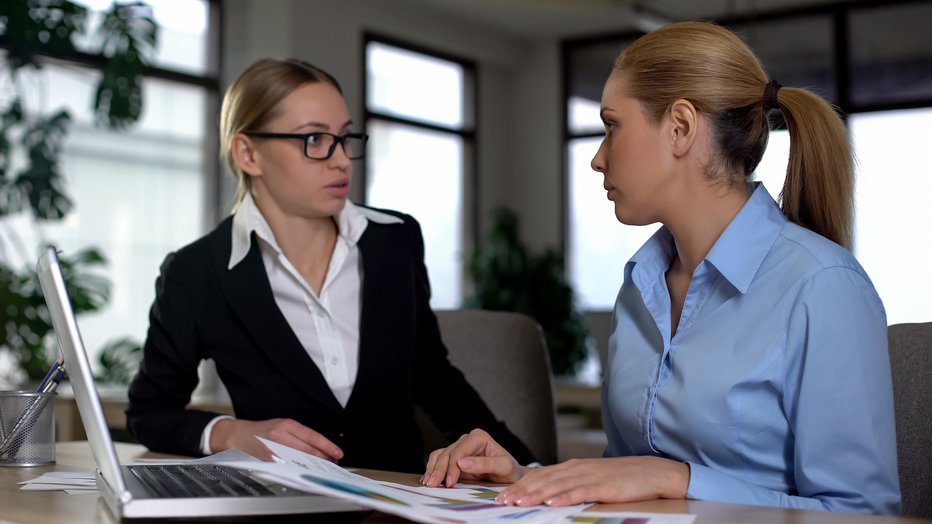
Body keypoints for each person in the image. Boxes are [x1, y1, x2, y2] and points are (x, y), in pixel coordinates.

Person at [421, 21, 901, 515]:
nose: (597, 159)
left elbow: (864, 514)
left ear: (680, 128)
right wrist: (527, 478)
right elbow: (625, 478)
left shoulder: (822, 287)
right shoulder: (639, 288)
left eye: (611, 126)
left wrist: (679, 478)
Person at [125, 58, 535, 473]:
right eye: (315, 140)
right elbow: (149, 412)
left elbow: (435, 380)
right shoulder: (196, 272)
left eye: (344, 138)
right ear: (248, 153)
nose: (341, 160)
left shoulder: (395, 240)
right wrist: (231, 433)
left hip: (400, 499)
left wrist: (534, 470)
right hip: (282, 505)